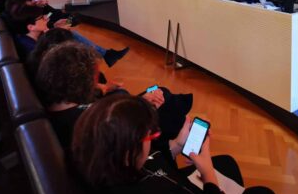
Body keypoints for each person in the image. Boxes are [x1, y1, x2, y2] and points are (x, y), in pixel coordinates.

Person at [72, 94, 281, 194]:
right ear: (128, 152)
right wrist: (209, 176)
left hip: (177, 186)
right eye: (151, 136)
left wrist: (176, 146)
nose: (153, 140)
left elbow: (153, 161)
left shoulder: (104, 158)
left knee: (226, 162)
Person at [35, 41, 192, 148]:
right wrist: (144, 107)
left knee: (160, 92)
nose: (97, 82)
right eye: (95, 77)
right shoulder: (88, 125)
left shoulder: (60, 106)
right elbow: (128, 132)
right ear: (83, 83)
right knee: (167, 101)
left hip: (127, 117)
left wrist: (140, 101)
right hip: (140, 135)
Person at [11, 5, 129, 67]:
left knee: (71, 30)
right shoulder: (32, 49)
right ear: (30, 27)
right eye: (41, 18)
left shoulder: (30, 36)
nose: (45, 19)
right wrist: (57, 32)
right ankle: (106, 55)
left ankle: (106, 54)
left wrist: (54, 27)